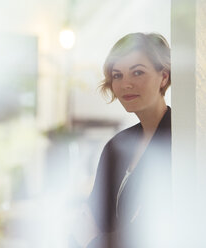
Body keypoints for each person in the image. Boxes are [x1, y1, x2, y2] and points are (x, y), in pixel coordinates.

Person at [73, 32, 172, 248]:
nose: (125, 84)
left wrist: (96, 241)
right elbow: (91, 217)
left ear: (163, 77)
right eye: (117, 75)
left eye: (137, 72)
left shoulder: (177, 138)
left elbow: (150, 232)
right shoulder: (116, 146)